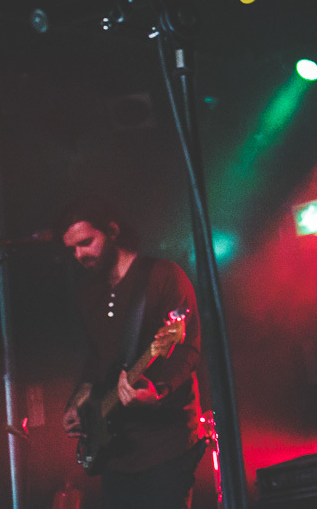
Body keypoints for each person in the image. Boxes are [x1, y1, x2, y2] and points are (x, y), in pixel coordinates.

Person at [57, 196, 206, 509]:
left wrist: (157, 389)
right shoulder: (88, 295)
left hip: (167, 443)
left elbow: (188, 348)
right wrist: (78, 403)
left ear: (112, 231)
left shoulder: (163, 276)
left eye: (86, 242)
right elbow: (95, 362)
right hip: (115, 454)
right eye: (72, 249)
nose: (79, 255)